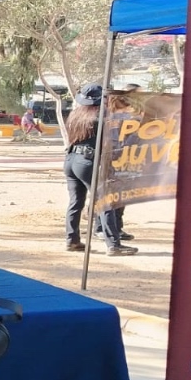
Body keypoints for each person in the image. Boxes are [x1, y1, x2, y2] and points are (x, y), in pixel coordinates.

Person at [63, 83, 136, 256]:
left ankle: (72, 240)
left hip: (71, 159)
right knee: (105, 201)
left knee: (76, 202)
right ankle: (114, 244)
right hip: (88, 161)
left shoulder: (75, 115)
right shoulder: (101, 117)